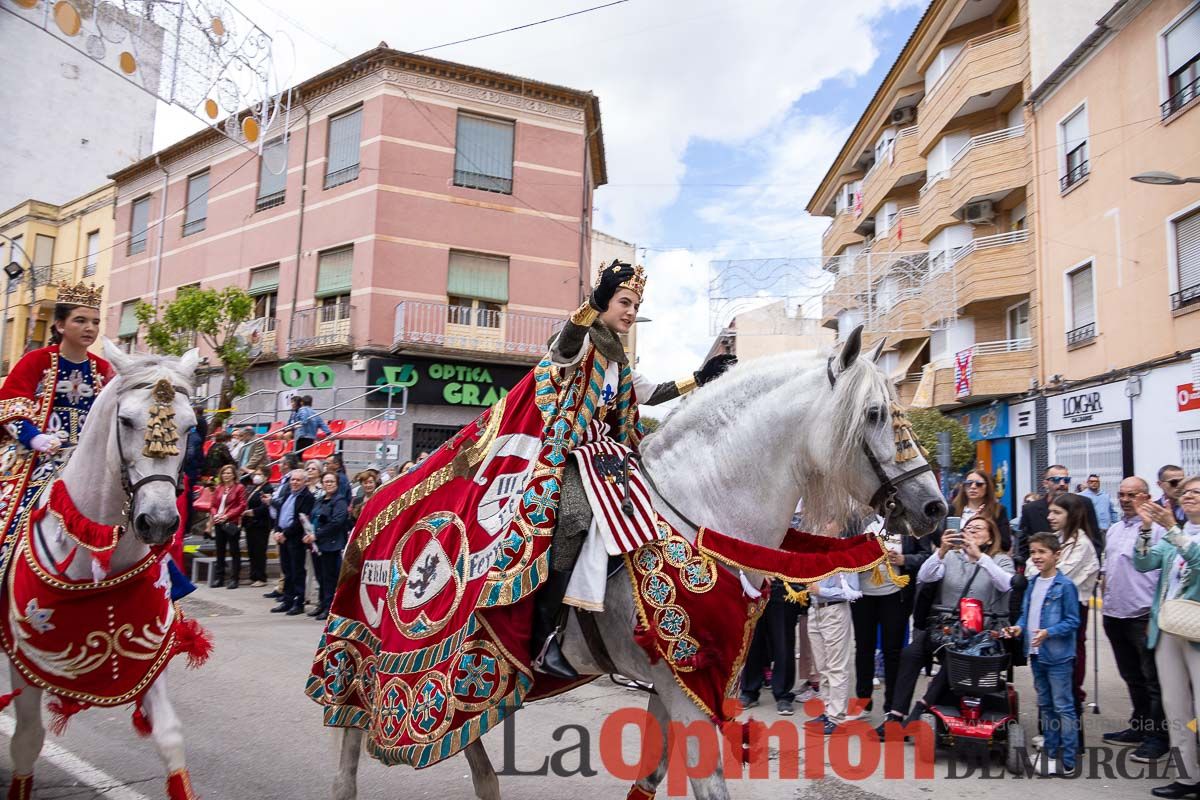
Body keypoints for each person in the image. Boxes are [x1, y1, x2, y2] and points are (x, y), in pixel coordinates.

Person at [533, 260, 737, 679]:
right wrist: (586, 308)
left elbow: (652, 393)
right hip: (566, 454)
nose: (630, 310)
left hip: (610, 457)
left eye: (635, 304)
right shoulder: (580, 339)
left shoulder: (618, 359)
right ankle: (545, 634)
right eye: (624, 301)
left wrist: (701, 376)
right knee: (573, 517)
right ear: (603, 301)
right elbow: (562, 351)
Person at [0, 285, 114, 557]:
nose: (90, 328)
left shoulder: (103, 369)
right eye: (81, 320)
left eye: (95, 322)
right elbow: (11, 408)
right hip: (39, 460)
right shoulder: (36, 361)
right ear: (60, 325)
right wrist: (34, 438)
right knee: (10, 516)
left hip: (92, 459)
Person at [880, 515, 1015, 732]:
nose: (971, 532)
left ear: (990, 539)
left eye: (978, 529)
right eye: (968, 528)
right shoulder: (951, 556)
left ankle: (920, 709)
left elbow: (1007, 584)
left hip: (982, 633)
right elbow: (925, 576)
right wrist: (941, 551)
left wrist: (980, 557)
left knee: (959, 654)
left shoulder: (999, 560)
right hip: (946, 627)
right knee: (911, 653)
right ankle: (896, 714)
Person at [1134, 480, 1200, 799]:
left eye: (1196, 493)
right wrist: (1146, 528)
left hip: (1197, 631)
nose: (1188, 496)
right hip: (1170, 628)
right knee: (1176, 706)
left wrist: (1172, 527)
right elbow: (1144, 562)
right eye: (1185, 493)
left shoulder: (1181, 534)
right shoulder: (1175, 536)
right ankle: (1187, 777)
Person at [1102, 477, 1169, 762]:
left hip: (1142, 616)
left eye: (1132, 495)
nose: (1125, 499)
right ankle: (1139, 727)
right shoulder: (1115, 529)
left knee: (1153, 680)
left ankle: (1158, 737)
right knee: (1131, 677)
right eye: (1121, 494)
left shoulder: (1157, 530)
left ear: (1146, 496)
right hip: (1114, 613)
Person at [1004, 533, 1081, 775]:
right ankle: (1050, 753)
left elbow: (1073, 620)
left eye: (1042, 552)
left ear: (1057, 555)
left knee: (1063, 706)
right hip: (1037, 654)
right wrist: (1018, 627)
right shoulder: (1034, 582)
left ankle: (1068, 760)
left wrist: (1049, 632)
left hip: (1058, 656)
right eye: (1033, 552)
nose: (1036, 557)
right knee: (1046, 705)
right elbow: (1027, 616)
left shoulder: (1065, 586)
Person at [1029, 492, 1100, 722]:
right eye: (1050, 511)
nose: (1050, 517)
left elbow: (1057, 574)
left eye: (1057, 512)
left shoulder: (1082, 544)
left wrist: (1041, 568)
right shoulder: (1057, 538)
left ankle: (1070, 723)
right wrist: (1041, 566)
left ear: (1073, 515)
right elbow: (1035, 570)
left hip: (1071, 608)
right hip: (1049, 606)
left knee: (1067, 664)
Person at [851, 518, 932, 716]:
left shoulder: (911, 521)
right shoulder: (859, 520)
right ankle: (863, 701)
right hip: (863, 595)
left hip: (896, 595)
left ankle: (892, 707)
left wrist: (905, 560)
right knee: (863, 649)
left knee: (893, 652)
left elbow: (926, 555)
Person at [806, 570, 862, 734]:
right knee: (822, 667)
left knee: (836, 667)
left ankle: (836, 718)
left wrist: (822, 591)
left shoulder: (845, 555)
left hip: (834, 611)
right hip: (814, 609)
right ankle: (826, 712)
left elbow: (853, 591)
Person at [739, 579, 804, 715]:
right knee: (753, 642)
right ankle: (749, 691)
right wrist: (759, 574)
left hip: (784, 588)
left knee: (784, 643)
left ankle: (783, 694)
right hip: (755, 588)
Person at [1019, 465, 1098, 568]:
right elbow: (1024, 547)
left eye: (1066, 480)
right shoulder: (1030, 509)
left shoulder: (1084, 503)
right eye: (1056, 480)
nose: (1062, 484)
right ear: (1045, 483)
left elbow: (1095, 541)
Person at [307, 472, 350, 621]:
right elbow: (313, 517)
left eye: (332, 481)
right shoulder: (320, 500)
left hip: (331, 544)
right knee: (320, 576)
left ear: (337, 484)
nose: (329, 484)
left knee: (329, 577)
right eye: (326, 481)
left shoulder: (340, 501)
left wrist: (317, 535)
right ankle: (322, 604)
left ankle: (329, 607)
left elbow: (336, 522)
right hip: (317, 544)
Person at [271, 470, 314, 615]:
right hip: (282, 536)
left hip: (294, 538)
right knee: (287, 570)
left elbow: (300, 520)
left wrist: (284, 533)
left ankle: (298, 601)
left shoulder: (307, 497)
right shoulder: (288, 494)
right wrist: (277, 530)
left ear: (304, 482)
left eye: (298, 480)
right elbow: (280, 514)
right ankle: (287, 600)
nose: (294, 482)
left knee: (297, 571)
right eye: (293, 480)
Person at [950, 470, 1012, 552]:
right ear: (964, 487)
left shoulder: (998, 510)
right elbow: (940, 540)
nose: (973, 487)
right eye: (969, 483)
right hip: (956, 558)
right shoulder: (953, 509)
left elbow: (1006, 544)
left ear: (988, 487)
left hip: (986, 556)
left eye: (979, 484)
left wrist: (984, 521)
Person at [209, 464, 247, 589]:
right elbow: (213, 504)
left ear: (234, 475)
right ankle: (219, 577)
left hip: (231, 522)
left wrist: (227, 515)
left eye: (229, 473)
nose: (226, 475)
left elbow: (241, 505)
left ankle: (234, 578)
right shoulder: (219, 487)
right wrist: (216, 515)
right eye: (224, 473)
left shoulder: (239, 488)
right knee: (220, 550)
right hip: (219, 522)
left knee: (234, 550)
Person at [241, 466, 275, 588]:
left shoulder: (268, 488)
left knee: (259, 551)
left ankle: (261, 577)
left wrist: (253, 512)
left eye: (259, 474)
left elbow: (266, 506)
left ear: (266, 476)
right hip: (251, 524)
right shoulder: (255, 488)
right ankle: (253, 575)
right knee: (252, 551)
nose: (256, 476)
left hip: (261, 524)